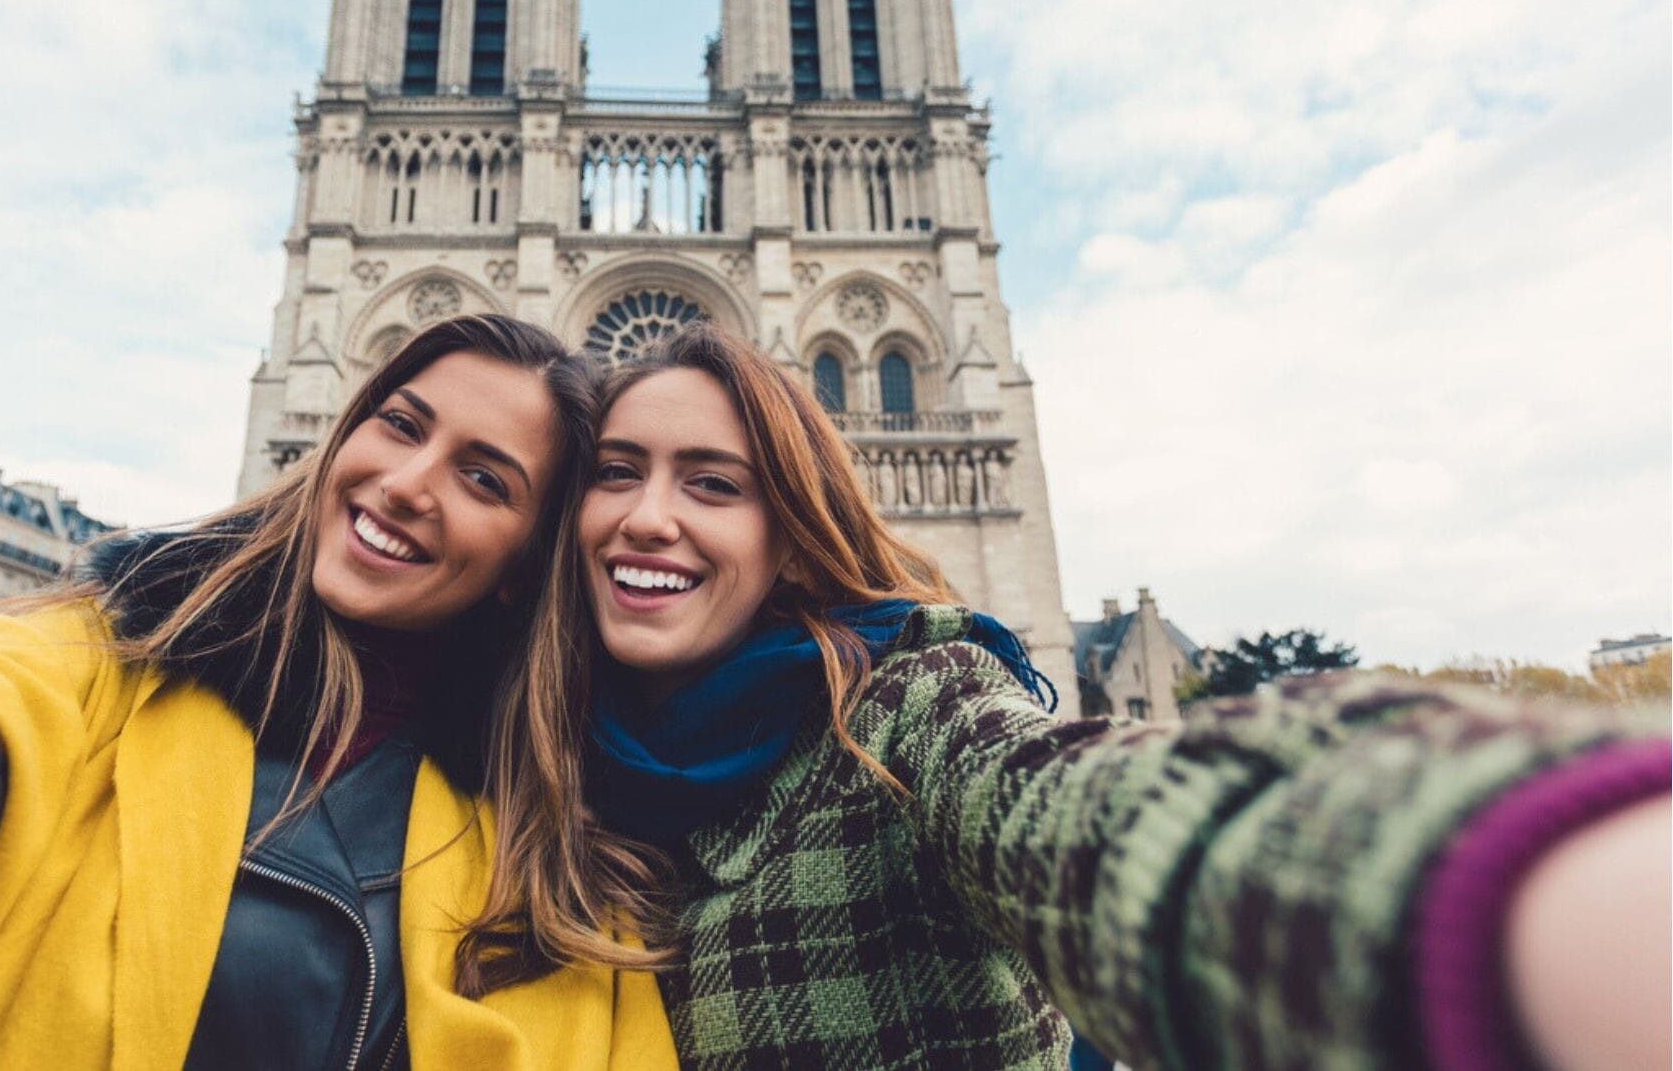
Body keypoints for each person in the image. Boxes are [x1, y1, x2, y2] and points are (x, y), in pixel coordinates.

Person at [561, 323, 1668, 1070]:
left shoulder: (902, 708)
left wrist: (1484, 872)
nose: (647, 515)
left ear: (791, 534)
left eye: (713, 481)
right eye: (614, 469)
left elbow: (1083, 820)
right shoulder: (534, 758)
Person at [0, 314, 672, 1070]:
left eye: (484, 477)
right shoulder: (101, 659)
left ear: (526, 564)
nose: (406, 481)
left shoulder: (553, 862)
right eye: (399, 424)